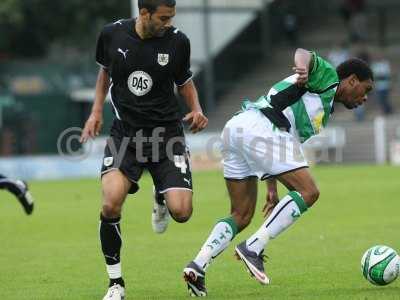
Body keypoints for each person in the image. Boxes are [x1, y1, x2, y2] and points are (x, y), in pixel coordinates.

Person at [183, 48, 373, 296]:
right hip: (262, 127)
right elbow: (303, 53)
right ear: (352, 80)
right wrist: (302, 68)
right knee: (309, 192)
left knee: (241, 215)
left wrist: (271, 188)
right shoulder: (329, 79)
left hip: (238, 128)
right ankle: (254, 246)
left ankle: (198, 266)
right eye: (366, 90)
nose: (365, 98)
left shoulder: (322, 110)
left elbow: (283, 145)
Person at [80, 1, 208, 299]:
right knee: (111, 203)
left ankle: (161, 194)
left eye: (171, 17)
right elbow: (104, 75)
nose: (168, 23)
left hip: (167, 136)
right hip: (126, 134)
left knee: (182, 212)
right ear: (145, 13)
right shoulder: (111, 34)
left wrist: (197, 109)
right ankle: (115, 284)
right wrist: (96, 112)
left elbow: (184, 81)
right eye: (163, 18)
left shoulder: (178, 42)